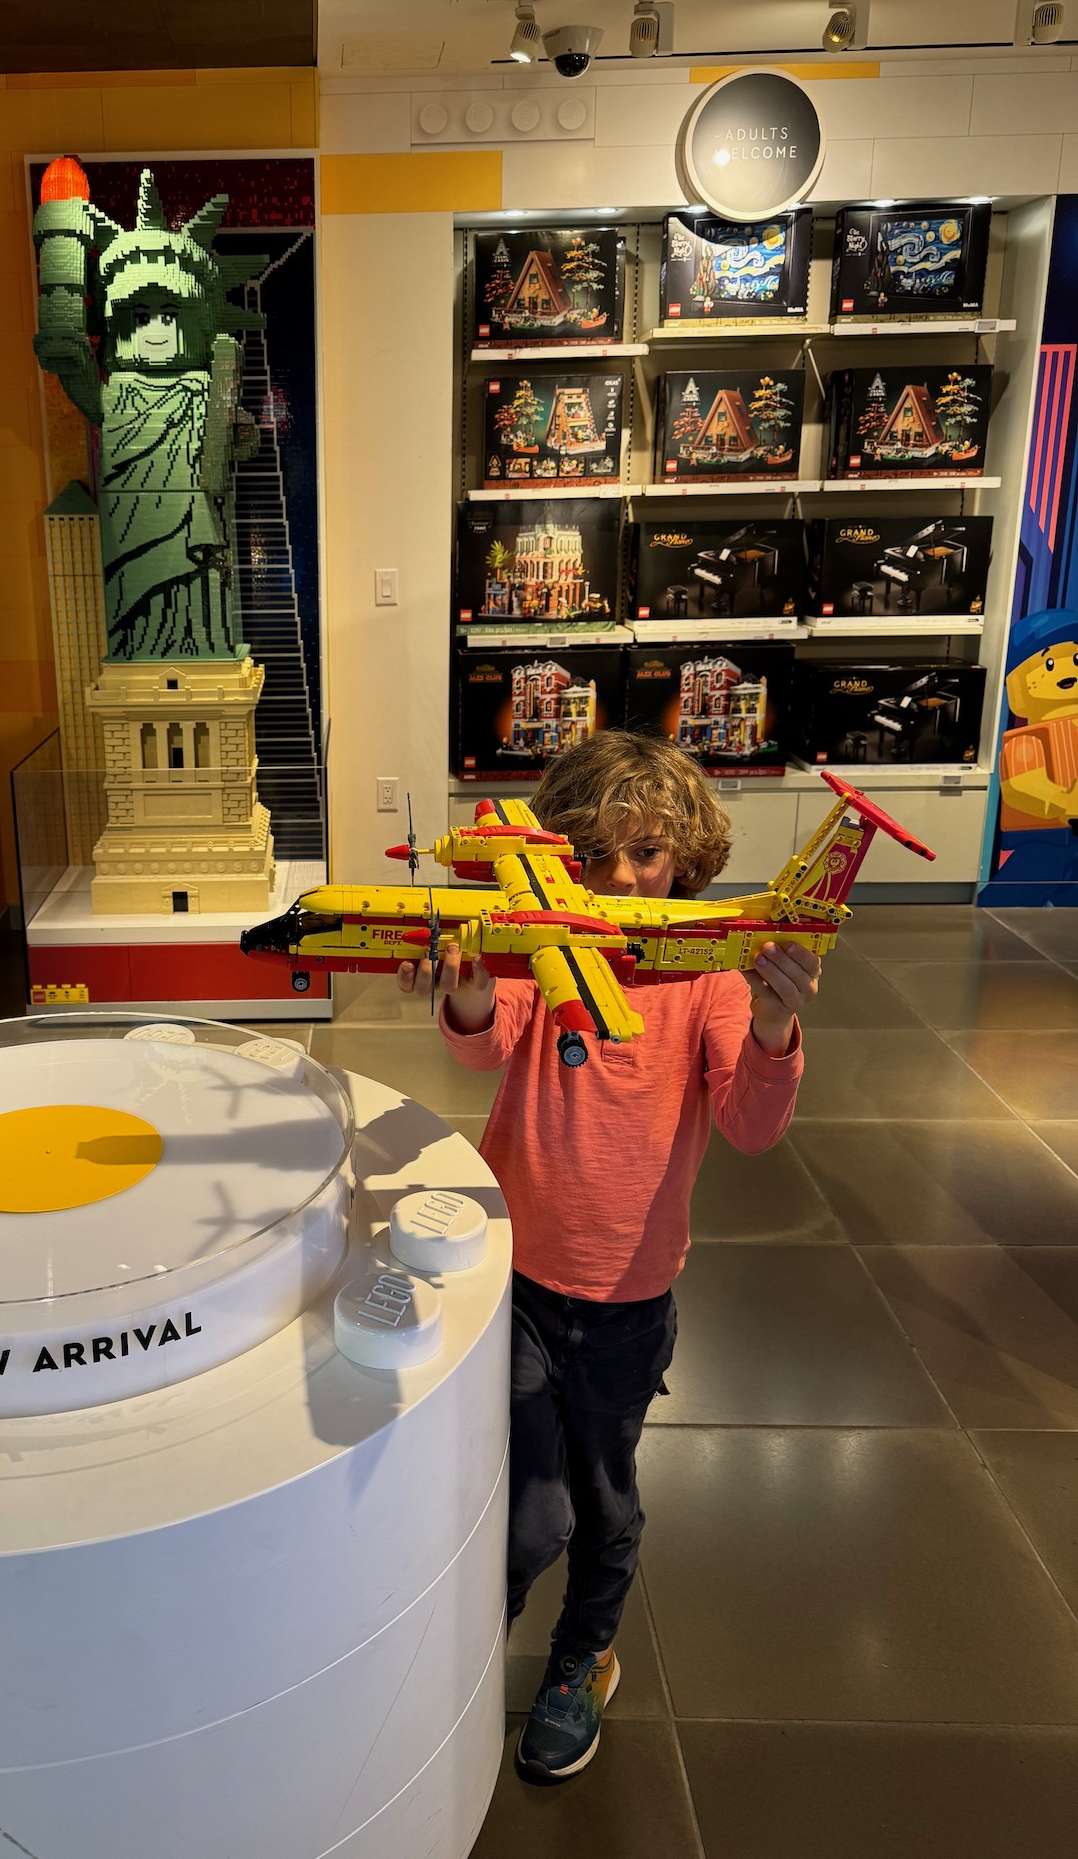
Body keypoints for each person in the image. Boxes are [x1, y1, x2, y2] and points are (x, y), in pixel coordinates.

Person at [397, 731, 820, 1784]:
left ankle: (584, 1651)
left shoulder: (711, 971)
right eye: (596, 855)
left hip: (630, 1295)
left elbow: (752, 1125)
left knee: (602, 1492)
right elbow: (489, 1036)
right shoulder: (555, 925)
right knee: (521, 1493)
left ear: (686, 855)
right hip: (518, 1275)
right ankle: (464, 1636)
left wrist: (771, 1023)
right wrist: (466, 991)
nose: (622, 877)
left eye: (646, 852)